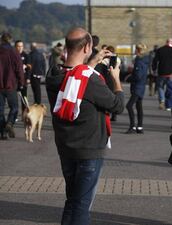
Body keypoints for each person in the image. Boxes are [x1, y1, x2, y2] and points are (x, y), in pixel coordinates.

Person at [45, 27, 124, 225]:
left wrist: (92, 62)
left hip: (66, 147)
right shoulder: (91, 81)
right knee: (81, 205)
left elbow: (74, 77)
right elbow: (118, 105)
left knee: (72, 201)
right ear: (88, 46)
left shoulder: (54, 74)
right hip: (89, 150)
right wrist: (116, 80)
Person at [0, 33, 25, 139]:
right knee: (14, 107)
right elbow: (19, 70)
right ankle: (10, 123)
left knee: (0, 110)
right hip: (11, 85)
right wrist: (21, 83)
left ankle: (3, 133)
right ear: (10, 40)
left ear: (1, 40)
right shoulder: (15, 52)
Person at [125, 44, 150, 134]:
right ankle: (140, 127)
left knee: (129, 106)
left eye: (136, 49)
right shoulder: (145, 60)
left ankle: (132, 127)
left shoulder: (139, 61)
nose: (135, 51)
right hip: (141, 86)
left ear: (139, 51)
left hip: (137, 86)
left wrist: (129, 78)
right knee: (139, 106)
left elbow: (138, 76)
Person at [152, 38, 172, 110]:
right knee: (170, 88)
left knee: (160, 87)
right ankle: (169, 105)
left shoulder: (160, 50)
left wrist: (154, 69)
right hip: (171, 73)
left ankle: (162, 100)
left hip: (161, 72)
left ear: (166, 42)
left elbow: (155, 60)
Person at [14, 40, 30, 113]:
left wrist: (28, 78)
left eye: (21, 46)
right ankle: (14, 114)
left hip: (23, 79)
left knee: (24, 97)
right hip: (14, 80)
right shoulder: (12, 55)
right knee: (14, 98)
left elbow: (30, 67)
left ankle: (24, 114)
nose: (20, 48)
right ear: (15, 47)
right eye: (18, 46)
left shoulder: (26, 56)